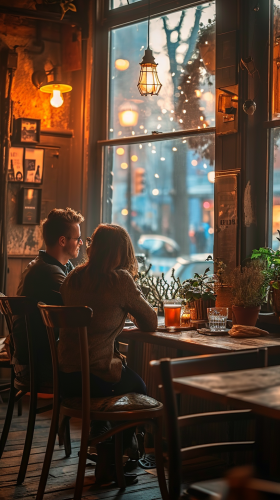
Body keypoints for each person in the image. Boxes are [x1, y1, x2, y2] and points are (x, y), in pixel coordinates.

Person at [59, 223, 157, 483]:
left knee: (129, 381)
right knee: (139, 387)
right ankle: (110, 459)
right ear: (122, 253)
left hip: (67, 377)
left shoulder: (73, 277)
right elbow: (151, 322)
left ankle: (105, 445)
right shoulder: (120, 280)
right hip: (96, 377)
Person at [12, 207, 84, 386]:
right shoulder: (48, 273)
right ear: (62, 240)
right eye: (78, 239)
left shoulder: (56, 267)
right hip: (37, 366)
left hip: (35, 359)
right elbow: (80, 306)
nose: (81, 243)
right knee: (100, 375)